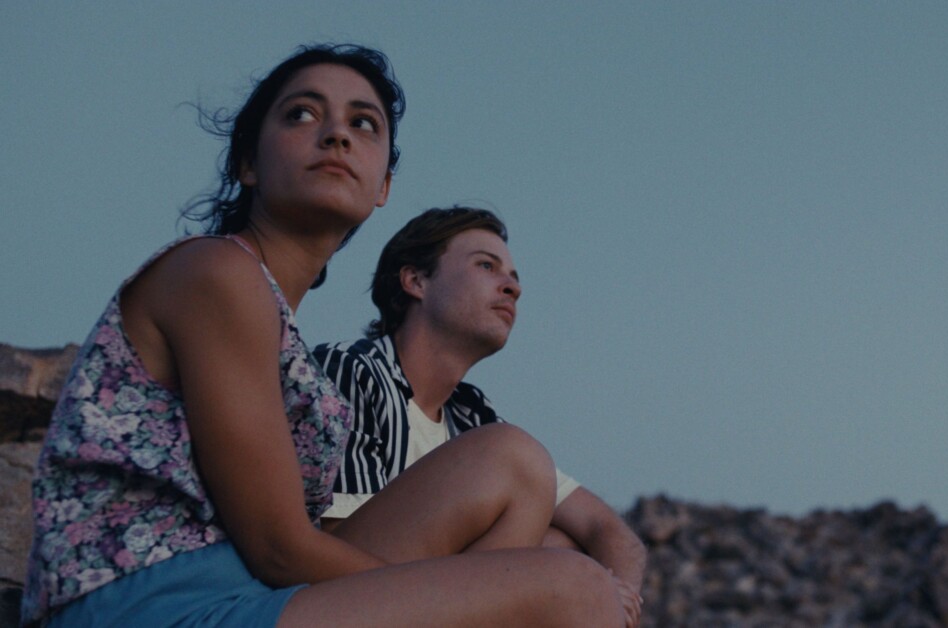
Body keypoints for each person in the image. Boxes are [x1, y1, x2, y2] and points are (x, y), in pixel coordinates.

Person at [22, 44, 629, 627]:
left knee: (514, 466)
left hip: (242, 590)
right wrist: (470, 603)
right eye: (302, 114)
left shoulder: (280, 332)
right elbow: (279, 548)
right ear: (248, 164)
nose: (336, 134)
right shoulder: (216, 273)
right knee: (571, 589)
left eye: (364, 124)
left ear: (384, 188)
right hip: (147, 604)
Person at [313, 207, 647, 619]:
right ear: (416, 280)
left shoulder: (473, 417)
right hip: (333, 606)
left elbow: (607, 530)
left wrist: (621, 597)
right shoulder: (352, 371)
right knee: (520, 469)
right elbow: (330, 558)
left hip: (415, 606)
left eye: (514, 278)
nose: (512, 288)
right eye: (487, 266)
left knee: (562, 550)